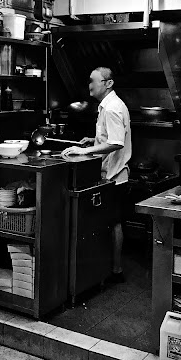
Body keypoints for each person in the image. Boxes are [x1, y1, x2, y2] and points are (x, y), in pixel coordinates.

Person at [61, 67, 131, 283]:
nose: (89, 85)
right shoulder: (108, 106)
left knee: (114, 223)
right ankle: (107, 269)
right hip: (111, 174)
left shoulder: (111, 108)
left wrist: (85, 151)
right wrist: (94, 141)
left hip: (114, 176)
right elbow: (110, 137)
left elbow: (116, 142)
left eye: (93, 81)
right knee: (111, 222)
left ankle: (116, 271)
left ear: (108, 83)